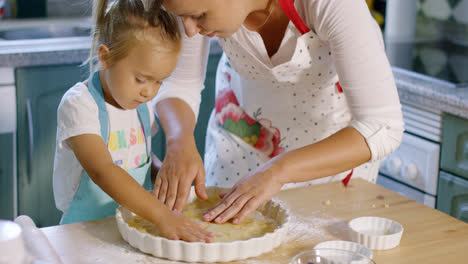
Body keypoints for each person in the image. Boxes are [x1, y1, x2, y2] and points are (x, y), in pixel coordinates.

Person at [152, 0, 404, 225]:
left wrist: (278, 171)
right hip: (243, 136)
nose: (189, 29)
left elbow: (382, 127)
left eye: (199, 15)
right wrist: (179, 140)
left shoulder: (332, 4)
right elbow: (179, 84)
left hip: (328, 151)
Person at [52, 0, 213, 242]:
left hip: (132, 226)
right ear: (106, 57)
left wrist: (163, 175)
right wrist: (161, 215)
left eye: (159, 81)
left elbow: (136, 157)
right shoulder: (79, 106)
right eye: (141, 79)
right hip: (84, 232)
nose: (149, 92)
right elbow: (102, 170)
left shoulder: (141, 105)